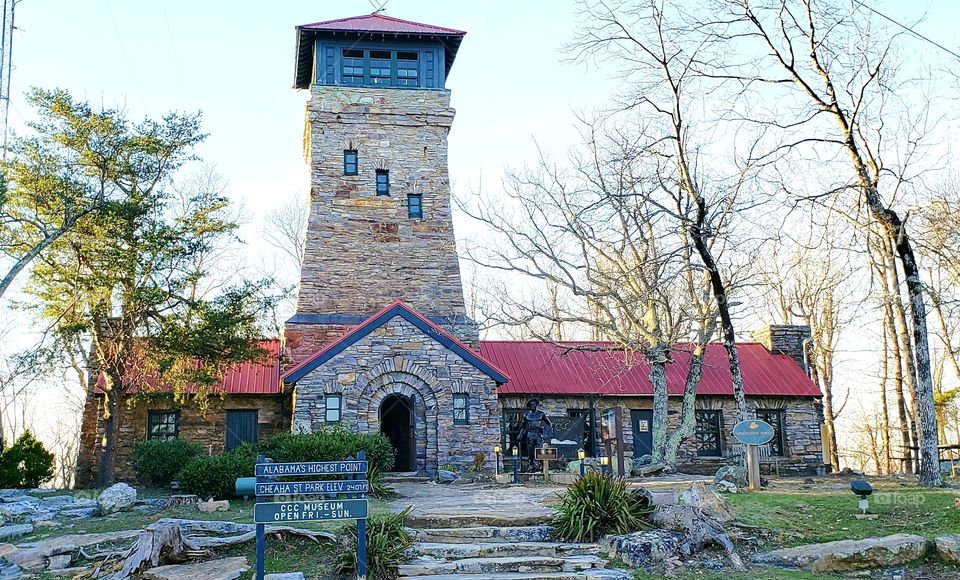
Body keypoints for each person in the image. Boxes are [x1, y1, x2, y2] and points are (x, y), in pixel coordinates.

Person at [518, 398, 552, 472]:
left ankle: (541, 465)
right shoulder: (526, 415)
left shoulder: (541, 414)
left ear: (536, 405)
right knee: (530, 451)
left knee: (539, 450)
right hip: (530, 434)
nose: (532, 406)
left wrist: (546, 433)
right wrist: (520, 434)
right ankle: (531, 465)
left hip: (538, 434)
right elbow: (523, 427)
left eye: (534, 404)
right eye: (531, 405)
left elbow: (548, 424)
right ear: (529, 406)